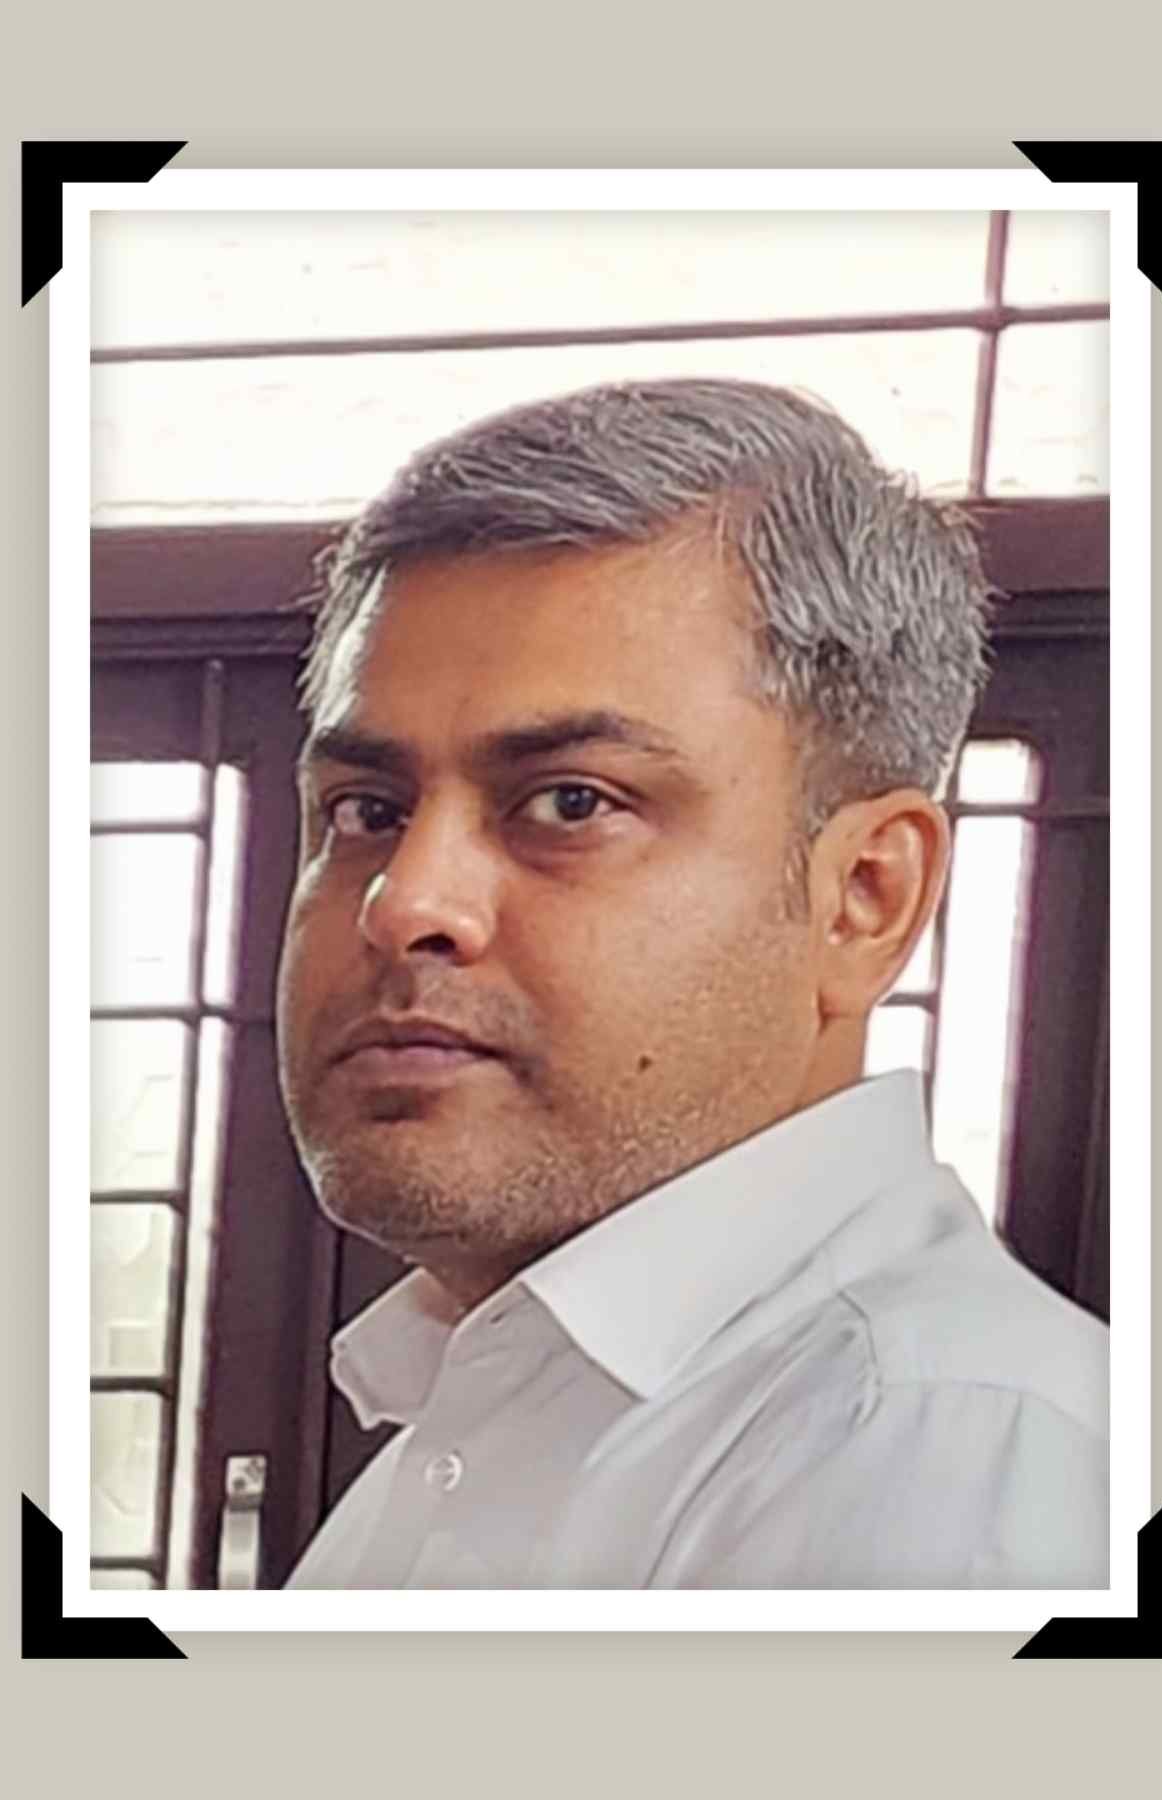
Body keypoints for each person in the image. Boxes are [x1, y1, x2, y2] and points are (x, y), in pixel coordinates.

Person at [278, 377, 1108, 1590]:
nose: (405, 904)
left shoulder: (946, 1466)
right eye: (366, 810)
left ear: (864, 895)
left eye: (572, 802)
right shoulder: (476, 1421)